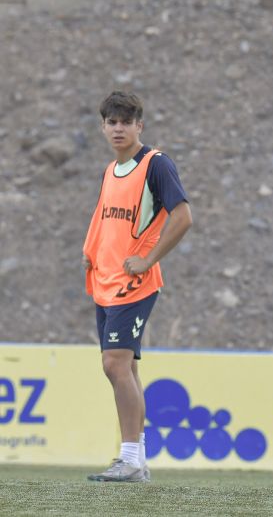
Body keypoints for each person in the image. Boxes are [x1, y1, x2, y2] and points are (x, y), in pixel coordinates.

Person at [83, 91, 192, 482]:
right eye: (111, 122)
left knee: (114, 363)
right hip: (107, 281)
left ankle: (129, 458)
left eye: (125, 122)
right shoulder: (111, 170)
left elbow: (183, 216)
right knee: (122, 366)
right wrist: (89, 252)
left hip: (135, 283)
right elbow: (103, 218)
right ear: (103, 126)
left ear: (139, 126)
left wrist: (148, 260)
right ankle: (137, 461)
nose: (118, 128)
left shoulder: (155, 164)